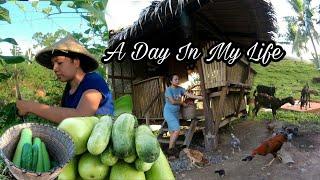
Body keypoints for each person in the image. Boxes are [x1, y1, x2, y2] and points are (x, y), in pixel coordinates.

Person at [16, 36, 114, 123]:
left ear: (76, 62)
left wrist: (31, 107)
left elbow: (81, 116)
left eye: (59, 62)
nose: (54, 68)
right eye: (53, 64)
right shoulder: (69, 88)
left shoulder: (93, 80)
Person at [163, 74, 203, 155]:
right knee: (177, 130)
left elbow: (189, 95)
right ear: (171, 81)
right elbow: (173, 101)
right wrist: (182, 102)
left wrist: (200, 98)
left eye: (178, 79)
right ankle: (170, 150)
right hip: (168, 112)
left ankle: (171, 152)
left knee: (172, 133)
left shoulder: (180, 89)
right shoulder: (168, 90)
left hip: (176, 114)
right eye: (175, 79)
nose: (177, 81)